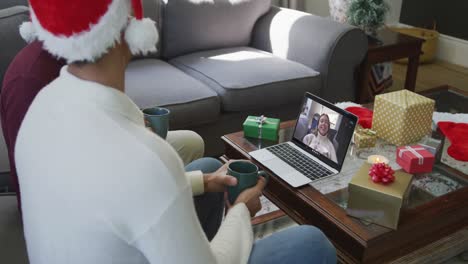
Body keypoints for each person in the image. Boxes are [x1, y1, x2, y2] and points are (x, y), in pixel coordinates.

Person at [14, 0, 337, 263]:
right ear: (128, 25)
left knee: (209, 169)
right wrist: (240, 213)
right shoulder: (146, 160)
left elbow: (106, 194)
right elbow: (133, 183)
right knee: (312, 243)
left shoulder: (40, 108)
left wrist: (202, 182)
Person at [0, 41, 204, 214]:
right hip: (68, 200)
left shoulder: (77, 53)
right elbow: (52, 180)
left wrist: (130, 124)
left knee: (191, 142)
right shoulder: (29, 82)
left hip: (97, 155)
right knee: (207, 171)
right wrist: (199, 181)